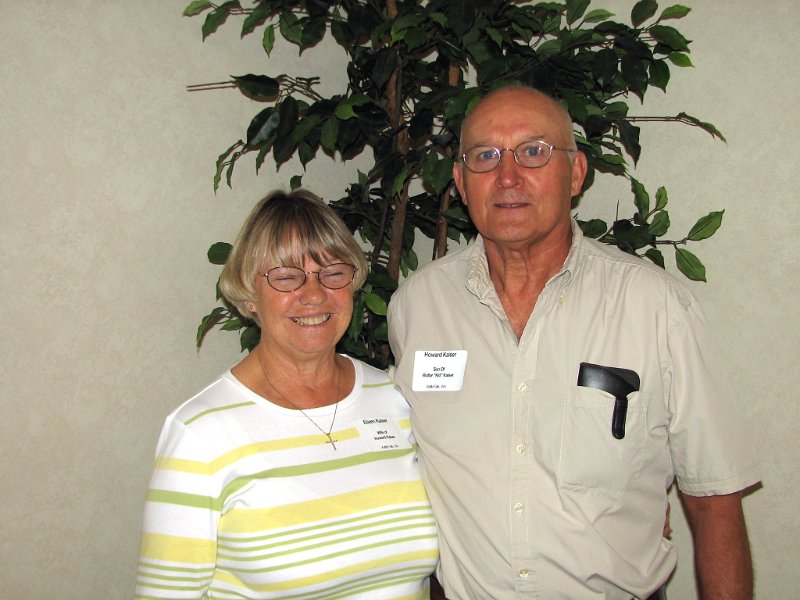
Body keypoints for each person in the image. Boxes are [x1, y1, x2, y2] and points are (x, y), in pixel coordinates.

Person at [387, 86, 759, 599]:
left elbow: (714, 500)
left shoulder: (656, 308)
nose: (508, 176)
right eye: (485, 156)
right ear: (460, 182)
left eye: (534, 151)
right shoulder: (416, 307)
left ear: (577, 173)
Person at [135, 190, 438, 599]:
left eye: (332, 272)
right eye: (285, 276)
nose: (313, 294)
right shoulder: (200, 435)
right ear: (248, 296)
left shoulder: (393, 398)